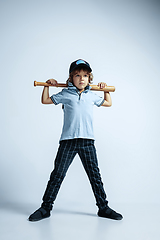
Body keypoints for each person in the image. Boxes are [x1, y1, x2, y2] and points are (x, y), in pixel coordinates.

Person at [28, 59, 123, 222]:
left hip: (87, 141)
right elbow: (45, 100)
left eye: (85, 76)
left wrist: (105, 89)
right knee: (57, 174)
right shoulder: (65, 94)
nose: (81, 79)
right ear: (71, 78)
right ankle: (45, 208)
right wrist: (47, 86)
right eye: (77, 75)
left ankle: (103, 208)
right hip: (68, 141)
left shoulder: (91, 95)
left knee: (95, 175)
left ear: (89, 78)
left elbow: (108, 103)